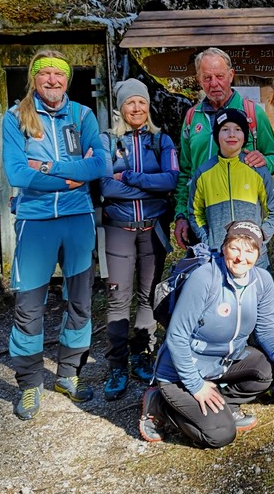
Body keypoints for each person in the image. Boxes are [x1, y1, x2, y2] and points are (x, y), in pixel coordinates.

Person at [140, 221, 274, 448]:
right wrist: (196, 385)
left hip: (223, 364)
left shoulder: (262, 281)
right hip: (181, 374)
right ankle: (160, 405)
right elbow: (177, 336)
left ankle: (223, 404)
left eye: (250, 250)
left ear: (258, 253)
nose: (242, 257)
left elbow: (267, 331)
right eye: (235, 248)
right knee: (220, 434)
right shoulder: (205, 277)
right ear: (224, 248)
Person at [1, 50, 105, 420]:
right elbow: (17, 173)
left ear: (67, 80)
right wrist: (70, 173)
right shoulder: (15, 119)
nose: (51, 80)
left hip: (78, 219)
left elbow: (100, 164)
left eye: (58, 75)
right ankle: (30, 385)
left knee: (79, 302)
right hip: (35, 221)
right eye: (44, 74)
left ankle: (68, 375)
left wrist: (47, 165)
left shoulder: (83, 115)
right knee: (29, 308)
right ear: (34, 79)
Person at [99, 78, 180, 401]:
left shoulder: (162, 140)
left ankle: (141, 354)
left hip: (152, 228)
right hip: (119, 229)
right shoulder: (106, 141)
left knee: (148, 296)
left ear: (148, 106)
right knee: (118, 297)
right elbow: (105, 186)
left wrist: (130, 178)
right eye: (130, 102)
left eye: (142, 102)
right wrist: (150, 185)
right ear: (120, 107)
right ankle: (116, 365)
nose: (136, 108)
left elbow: (171, 179)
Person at [173, 47, 274, 248]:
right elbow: (185, 172)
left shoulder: (252, 113)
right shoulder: (192, 117)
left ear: (231, 75)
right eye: (207, 78)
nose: (214, 83)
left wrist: (263, 161)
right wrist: (181, 214)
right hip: (202, 219)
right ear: (198, 79)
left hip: (244, 219)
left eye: (220, 76)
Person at [187, 108, 274, 268]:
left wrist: (260, 236)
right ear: (217, 135)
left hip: (255, 257)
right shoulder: (203, 173)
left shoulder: (257, 169)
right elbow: (195, 213)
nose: (231, 134)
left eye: (238, 129)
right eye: (225, 129)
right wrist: (208, 239)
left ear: (245, 135)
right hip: (218, 257)